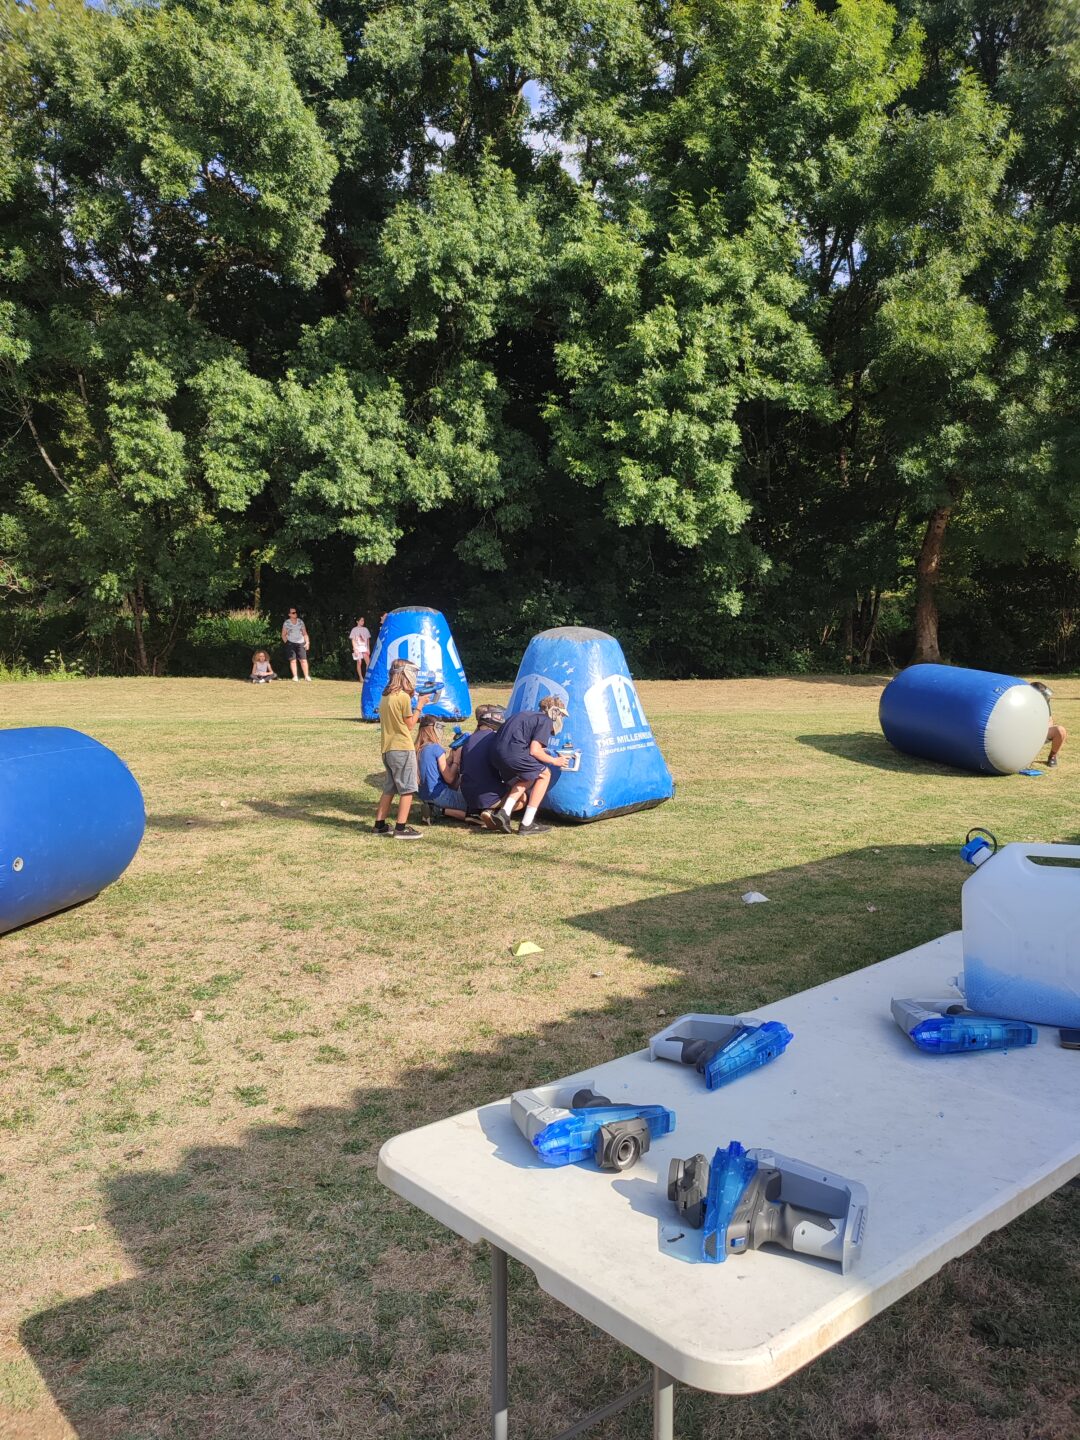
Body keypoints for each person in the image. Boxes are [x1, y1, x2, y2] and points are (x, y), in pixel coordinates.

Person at [491, 694, 571, 835]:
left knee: (529, 775)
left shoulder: (525, 715)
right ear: (555, 712)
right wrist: (555, 761)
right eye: (561, 715)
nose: (561, 720)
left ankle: (504, 812)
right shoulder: (545, 721)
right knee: (544, 774)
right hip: (513, 754)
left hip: (497, 754)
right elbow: (535, 751)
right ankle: (527, 823)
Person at [372, 661, 429, 838]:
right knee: (408, 789)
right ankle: (400, 828)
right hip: (402, 749)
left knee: (389, 788)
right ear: (406, 676)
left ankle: (379, 826)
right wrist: (419, 705)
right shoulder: (403, 697)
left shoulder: (386, 696)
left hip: (387, 749)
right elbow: (410, 724)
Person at [459, 704, 521, 830]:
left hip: (468, 795)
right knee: (522, 797)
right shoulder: (496, 739)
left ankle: (480, 812)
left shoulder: (469, 740)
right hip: (487, 795)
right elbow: (505, 767)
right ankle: (492, 813)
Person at [415, 710, 472, 823]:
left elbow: (434, 769)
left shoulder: (418, 748)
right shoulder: (436, 748)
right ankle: (438, 810)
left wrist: (450, 759)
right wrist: (456, 760)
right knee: (474, 807)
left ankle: (433, 808)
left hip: (424, 795)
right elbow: (449, 778)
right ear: (435, 729)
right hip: (439, 795)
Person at [1031, 682, 1066, 767]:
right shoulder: (1022, 703)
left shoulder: (1045, 703)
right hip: (1024, 735)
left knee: (1060, 730)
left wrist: (1042, 732)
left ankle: (1052, 756)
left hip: (1040, 733)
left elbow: (1050, 720)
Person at [281, 608, 312, 682]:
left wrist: (307, 642)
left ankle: (306, 676)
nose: (295, 613)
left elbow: (305, 633)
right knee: (293, 660)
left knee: (303, 660)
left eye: (296, 612)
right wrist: (287, 643)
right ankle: (295, 677)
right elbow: (283, 634)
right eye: (293, 612)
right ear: (289, 614)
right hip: (290, 643)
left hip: (301, 642)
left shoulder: (300, 622)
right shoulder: (286, 623)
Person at [349, 615, 371, 681]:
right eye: (361, 620)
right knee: (359, 662)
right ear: (357, 621)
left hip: (364, 648)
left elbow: (367, 640)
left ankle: (367, 677)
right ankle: (361, 677)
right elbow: (352, 640)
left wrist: (368, 648)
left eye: (363, 620)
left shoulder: (365, 629)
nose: (363, 622)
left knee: (368, 663)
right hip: (357, 648)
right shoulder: (354, 629)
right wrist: (355, 649)